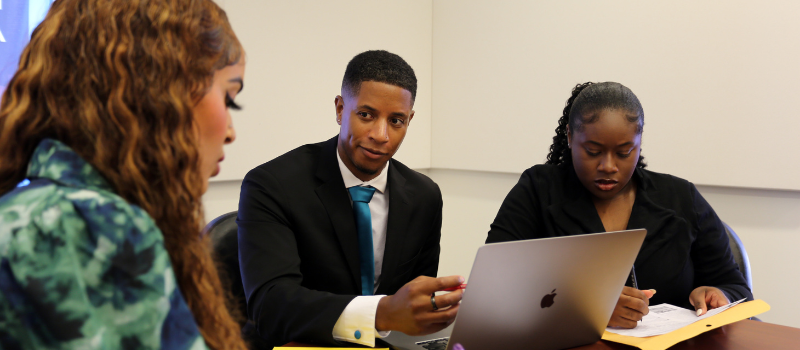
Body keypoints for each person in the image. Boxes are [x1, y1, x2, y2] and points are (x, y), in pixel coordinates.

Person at [0, 0, 247, 348]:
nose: (231, 131)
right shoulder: (90, 228)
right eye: (229, 98)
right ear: (161, 93)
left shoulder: (41, 209)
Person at [238, 50, 463, 347]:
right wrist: (380, 314)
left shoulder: (424, 196)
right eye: (366, 115)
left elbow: (412, 303)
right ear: (341, 109)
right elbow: (270, 305)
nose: (381, 135)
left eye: (396, 121)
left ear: (409, 120)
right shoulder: (272, 185)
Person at [486, 82, 753, 329]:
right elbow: (493, 285)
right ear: (569, 137)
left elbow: (736, 288)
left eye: (625, 152)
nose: (608, 166)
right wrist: (588, 308)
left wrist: (718, 295)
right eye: (592, 151)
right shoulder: (538, 190)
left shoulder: (681, 197)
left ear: (639, 142)